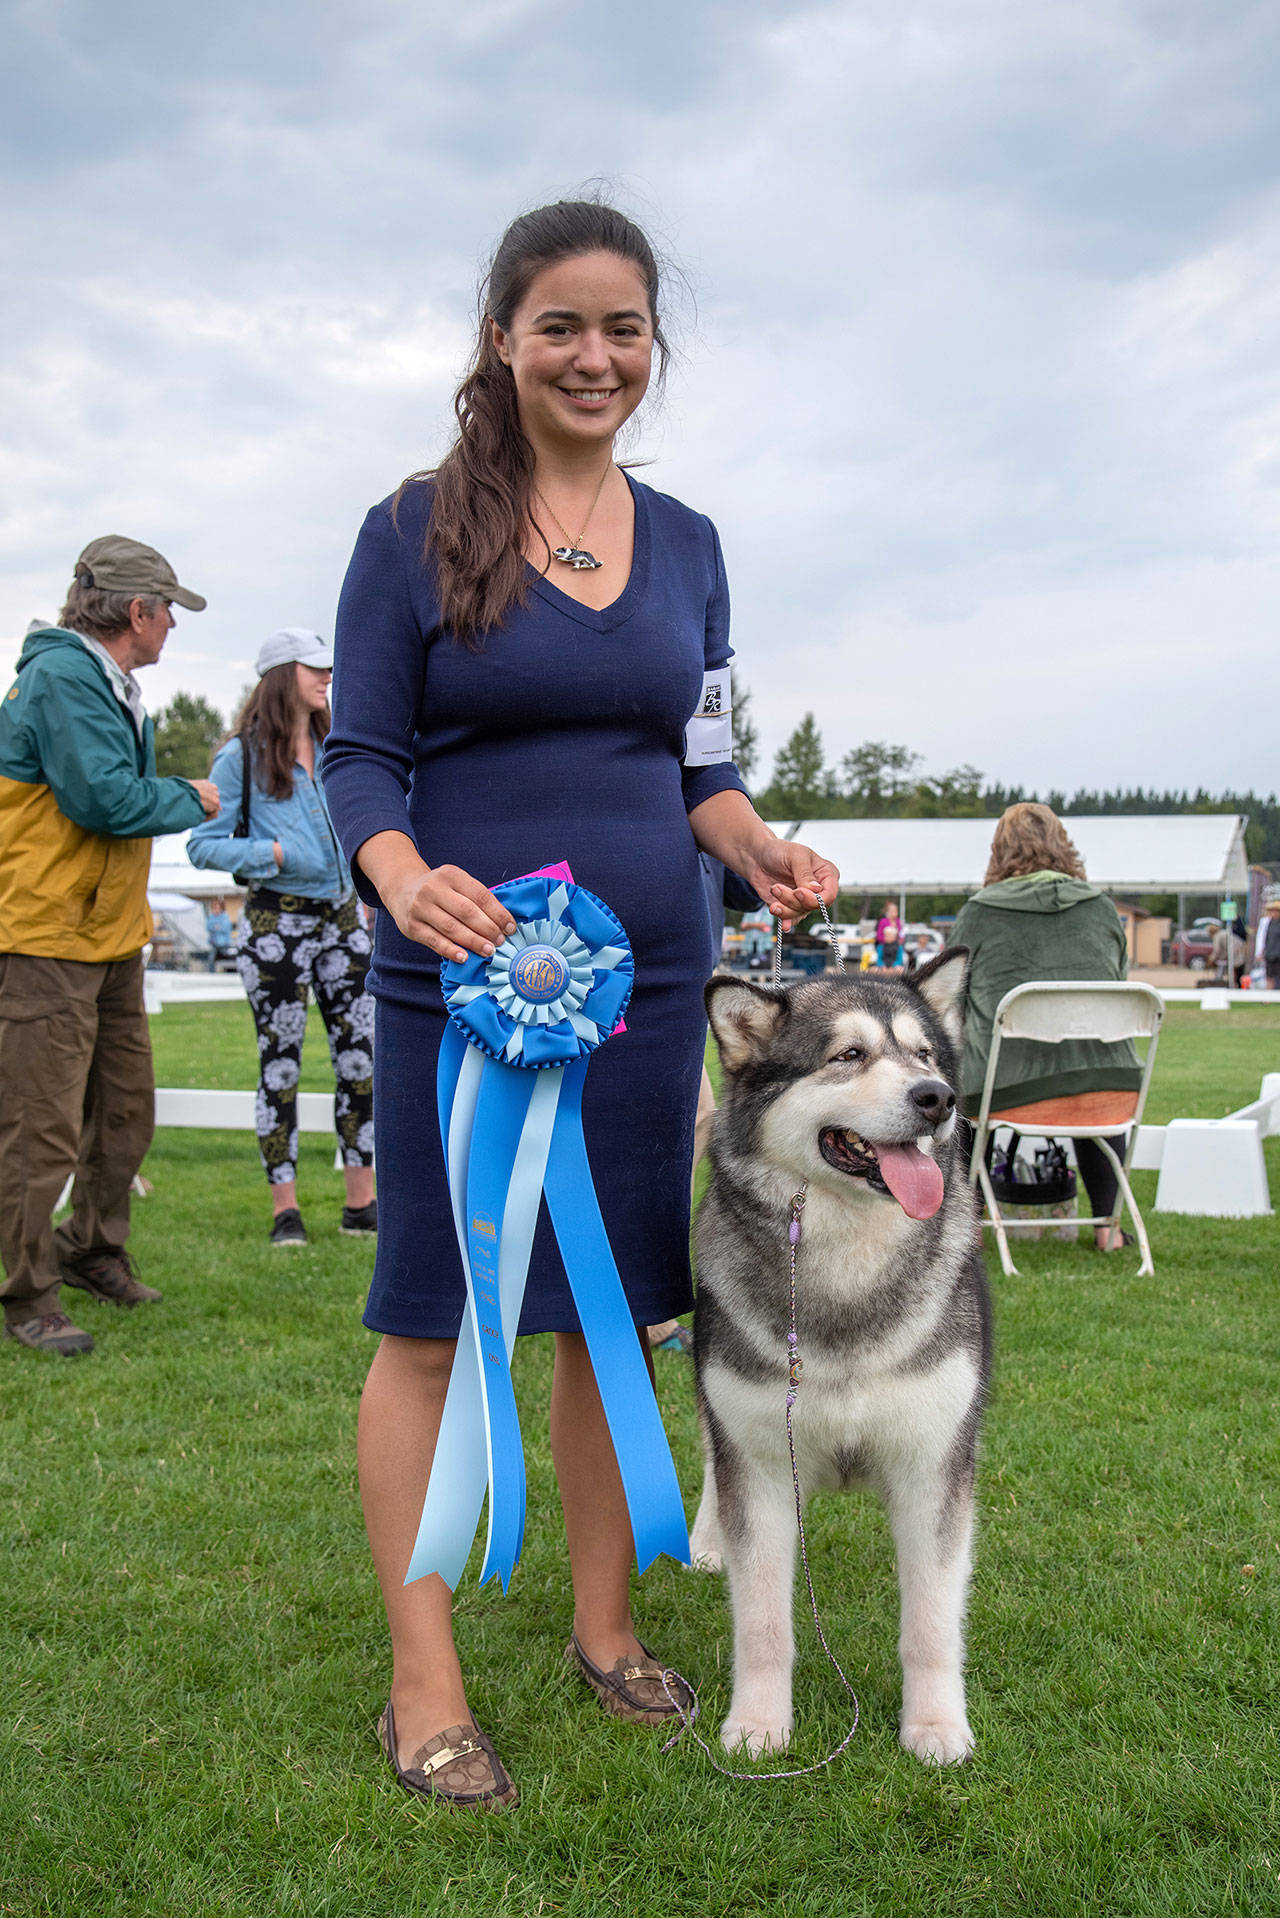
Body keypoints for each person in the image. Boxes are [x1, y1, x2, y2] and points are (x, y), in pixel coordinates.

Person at [322, 198, 838, 1810]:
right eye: (562, 325)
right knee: (431, 1317)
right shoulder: (408, 525)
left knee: (620, 1309)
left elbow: (700, 759)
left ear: (651, 346)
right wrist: (402, 876)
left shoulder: (687, 544)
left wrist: (754, 840)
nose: (595, 355)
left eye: (623, 327)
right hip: (461, 987)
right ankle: (424, 1682)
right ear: (502, 338)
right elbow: (360, 759)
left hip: (649, 984)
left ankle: (605, 1631)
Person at [0, 536, 221, 1356]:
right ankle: (27, 1295)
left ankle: (92, 1249)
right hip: (46, 936)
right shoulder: (62, 677)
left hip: (105, 937)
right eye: (170, 610)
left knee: (124, 1113)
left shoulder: (106, 682)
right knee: (40, 1128)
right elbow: (102, 801)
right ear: (137, 612)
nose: (173, 626)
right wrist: (186, 797)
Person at [187, 629, 376, 1246]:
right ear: (278, 675)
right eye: (313, 667)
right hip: (276, 925)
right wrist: (269, 852)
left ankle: (360, 1204)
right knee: (281, 1067)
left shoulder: (338, 744)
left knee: (360, 1061)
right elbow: (200, 843)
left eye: (329, 666)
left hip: (343, 921)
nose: (327, 676)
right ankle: (285, 1210)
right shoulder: (240, 756)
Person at [948, 803, 1143, 1252]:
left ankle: (963, 1227)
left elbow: (952, 1000)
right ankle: (1107, 1229)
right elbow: (1117, 983)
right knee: (1088, 1070)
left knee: (958, 1099)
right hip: (1108, 1087)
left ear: (998, 849)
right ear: (1064, 845)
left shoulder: (979, 913)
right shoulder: (1102, 909)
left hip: (1004, 1087)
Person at [204, 895, 233, 971]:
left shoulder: (225, 917)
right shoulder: (211, 917)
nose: (215, 909)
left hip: (224, 944)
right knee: (211, 960)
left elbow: (225, 928)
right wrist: (216, 927)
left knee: (227, 960)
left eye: (217, 907)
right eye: (214, 908)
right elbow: (208, 927)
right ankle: (211, 975)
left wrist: (216, 928)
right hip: (214, 943)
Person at [876, 898, 905, 968]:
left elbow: (901, 934)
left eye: (895, 910)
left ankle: (895, 966)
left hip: (895, 946)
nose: (894, 912)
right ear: (888, 912)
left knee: (899, 953)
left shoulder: (897, 921)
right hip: (884, 946)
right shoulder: (883, 921)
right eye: (892, 911)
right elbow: (878, 936)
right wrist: (887, 939)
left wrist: (900, 939)